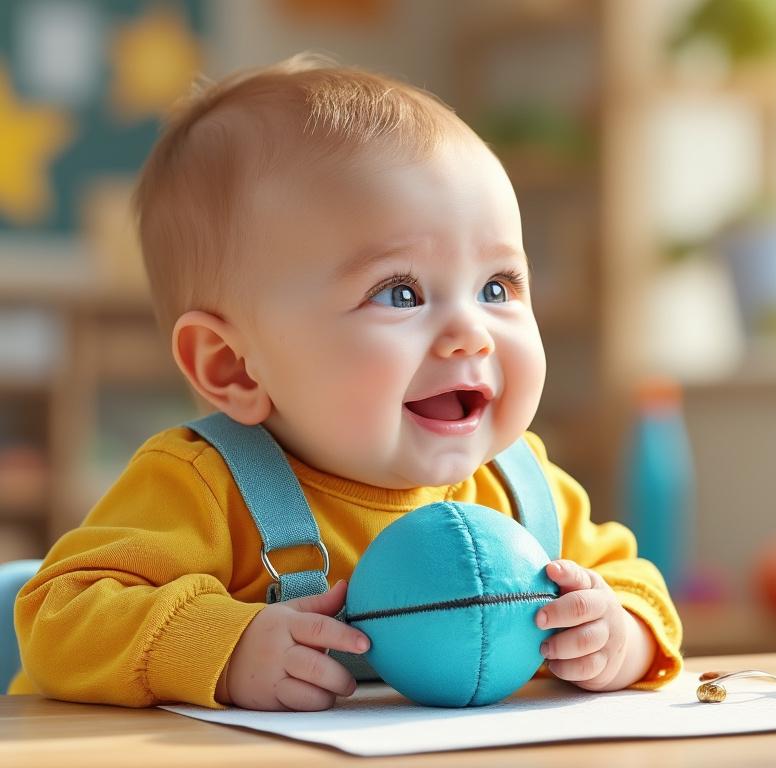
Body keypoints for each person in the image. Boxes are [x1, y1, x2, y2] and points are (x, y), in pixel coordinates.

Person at [11, 54, 683, 711]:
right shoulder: (201, 487)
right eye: (399, 293)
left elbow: (634, 582)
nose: (471, 332)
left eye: (497, 286)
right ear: (232, 365)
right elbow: (55, 618)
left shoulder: (521, 489)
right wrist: (228, 646)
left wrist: (618, 633)